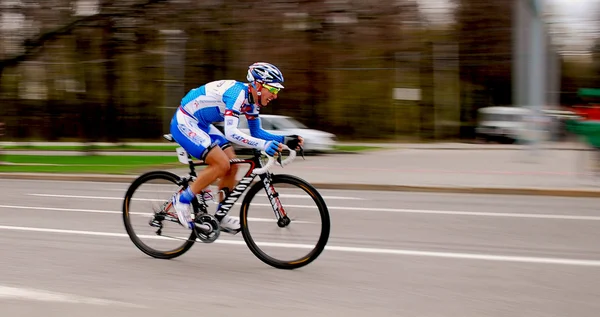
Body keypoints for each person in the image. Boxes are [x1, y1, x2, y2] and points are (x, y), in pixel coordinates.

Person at [169, 62, 303, 234]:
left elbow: (257, 132)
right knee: (221, 164)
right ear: (259, 85)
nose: (275, 96)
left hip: (202, 124)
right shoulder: (237, 94)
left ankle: (220, 215)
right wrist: (265, 145)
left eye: (277, 91)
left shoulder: (252, 102)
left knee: (233, 166)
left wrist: (284, 139)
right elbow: (231, 133)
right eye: (273, 90)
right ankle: (182, 201)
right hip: (185, 121)